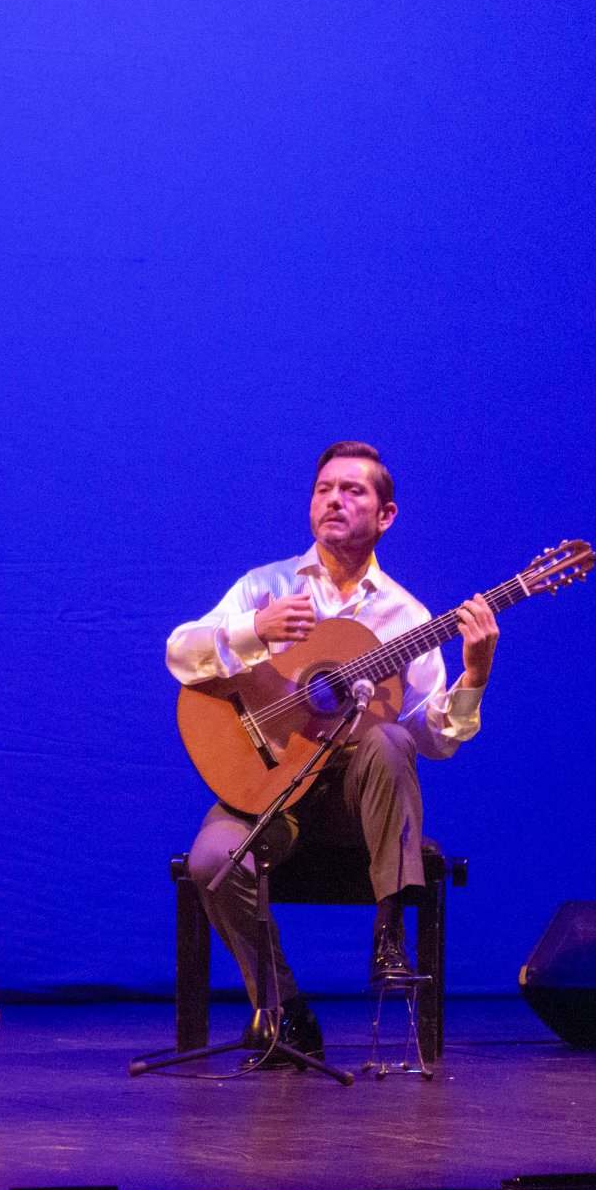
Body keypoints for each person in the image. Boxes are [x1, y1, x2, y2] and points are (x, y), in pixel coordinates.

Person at [165, 442, 499, 1061]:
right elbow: (180, 654)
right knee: (211, 860)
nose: (334, 500)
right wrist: (251, 633)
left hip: (353, 806)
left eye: (353, 491)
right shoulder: (265, 587)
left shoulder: (408, 617)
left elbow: (432, 740)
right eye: (324, 489)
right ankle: (283, 1007)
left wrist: (472, 679)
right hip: (267, 791)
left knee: (391, 737)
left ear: (386, 515)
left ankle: (389, 929)